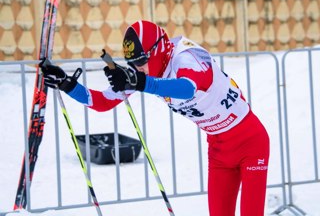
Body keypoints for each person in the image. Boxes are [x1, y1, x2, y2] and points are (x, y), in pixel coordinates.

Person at [40, 20, 270, 216]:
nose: (138, 68)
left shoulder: (187, 56)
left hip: (250, 143)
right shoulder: (147, 75)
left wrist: (140, 82)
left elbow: (187, 88)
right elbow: (102, 102)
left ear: (158, 49)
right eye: (133, 64)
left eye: (141, 61)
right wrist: (67, 84)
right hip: (219, 151)